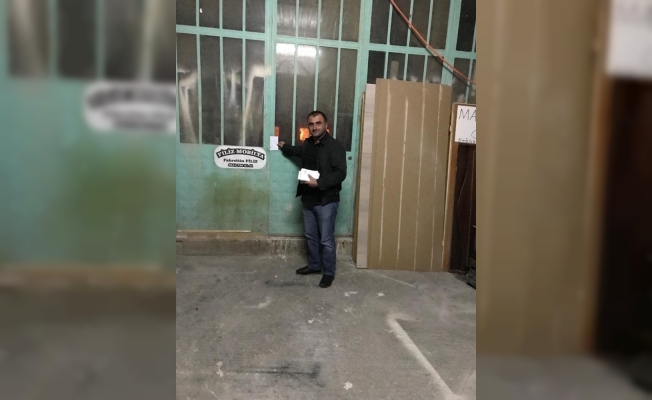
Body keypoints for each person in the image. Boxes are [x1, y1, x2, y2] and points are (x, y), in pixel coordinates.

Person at [278, 111, 347, 288]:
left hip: (326, 200)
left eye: (318, 123)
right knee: (311, 236)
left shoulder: (334, 146)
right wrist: (284, 146)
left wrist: (319, 183)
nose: (314, 127)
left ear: (326, 125)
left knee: (326, 239)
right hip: (308, 199)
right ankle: (315, 265)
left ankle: (329, 272)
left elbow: (341, 173)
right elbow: (299, 151)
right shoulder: (308, 143)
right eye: (311, 124)